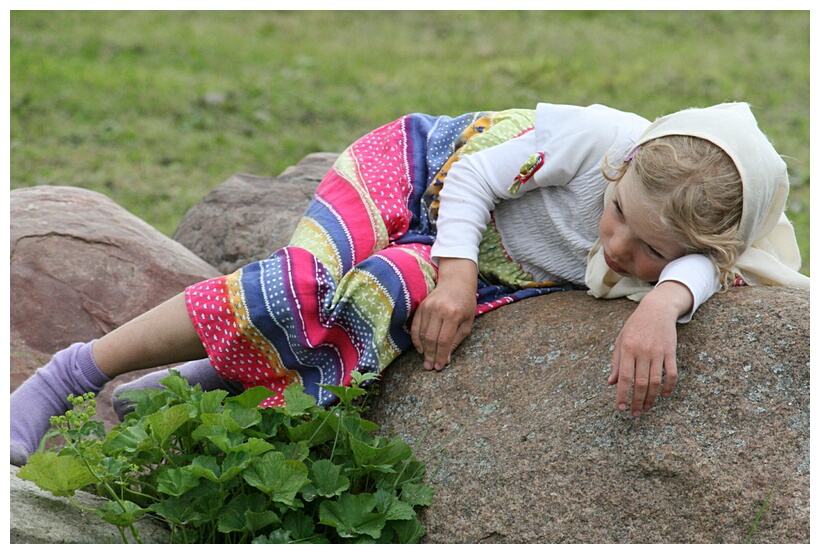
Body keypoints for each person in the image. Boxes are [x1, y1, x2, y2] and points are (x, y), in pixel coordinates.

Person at [10, 102, 808, 467]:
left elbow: (711, 267)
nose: (618, 244)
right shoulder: (601, 138)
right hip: (419, 176)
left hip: (474, 260)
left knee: (370, 317)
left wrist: (666, 302)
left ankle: (195, 382)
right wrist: (456, 270)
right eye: (617, 214)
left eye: (649, 252)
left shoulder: (698, 254)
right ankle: (68, 375)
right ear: (622, 169)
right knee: (296, 286)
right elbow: (471, 180)